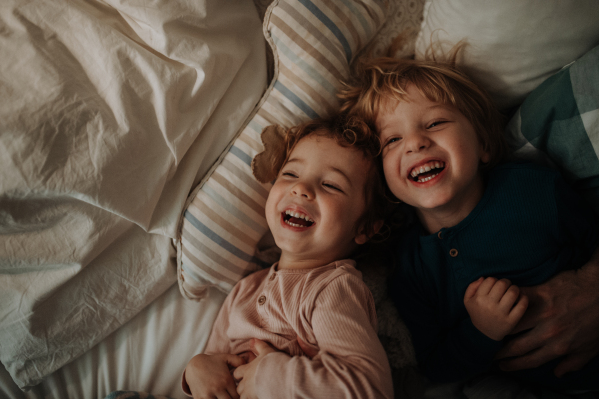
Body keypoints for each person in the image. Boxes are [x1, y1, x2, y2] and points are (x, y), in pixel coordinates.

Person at [338, 54, 599, 390]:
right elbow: (435, 367)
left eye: (434, 123)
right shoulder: (410, 269)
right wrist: (480, 332)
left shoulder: (533, 190)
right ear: (383, 179)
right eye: (392, 140)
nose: (416, 142)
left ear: (484, 145)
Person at [181, 114, 395, 399]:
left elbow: (368, 389)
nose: (301, 188)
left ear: (365, 227)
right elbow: (213, 365)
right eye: (291, 174)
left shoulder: (332, 289)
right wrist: (196, 369)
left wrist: (271, 375)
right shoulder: (245, 289)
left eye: (331, 185)